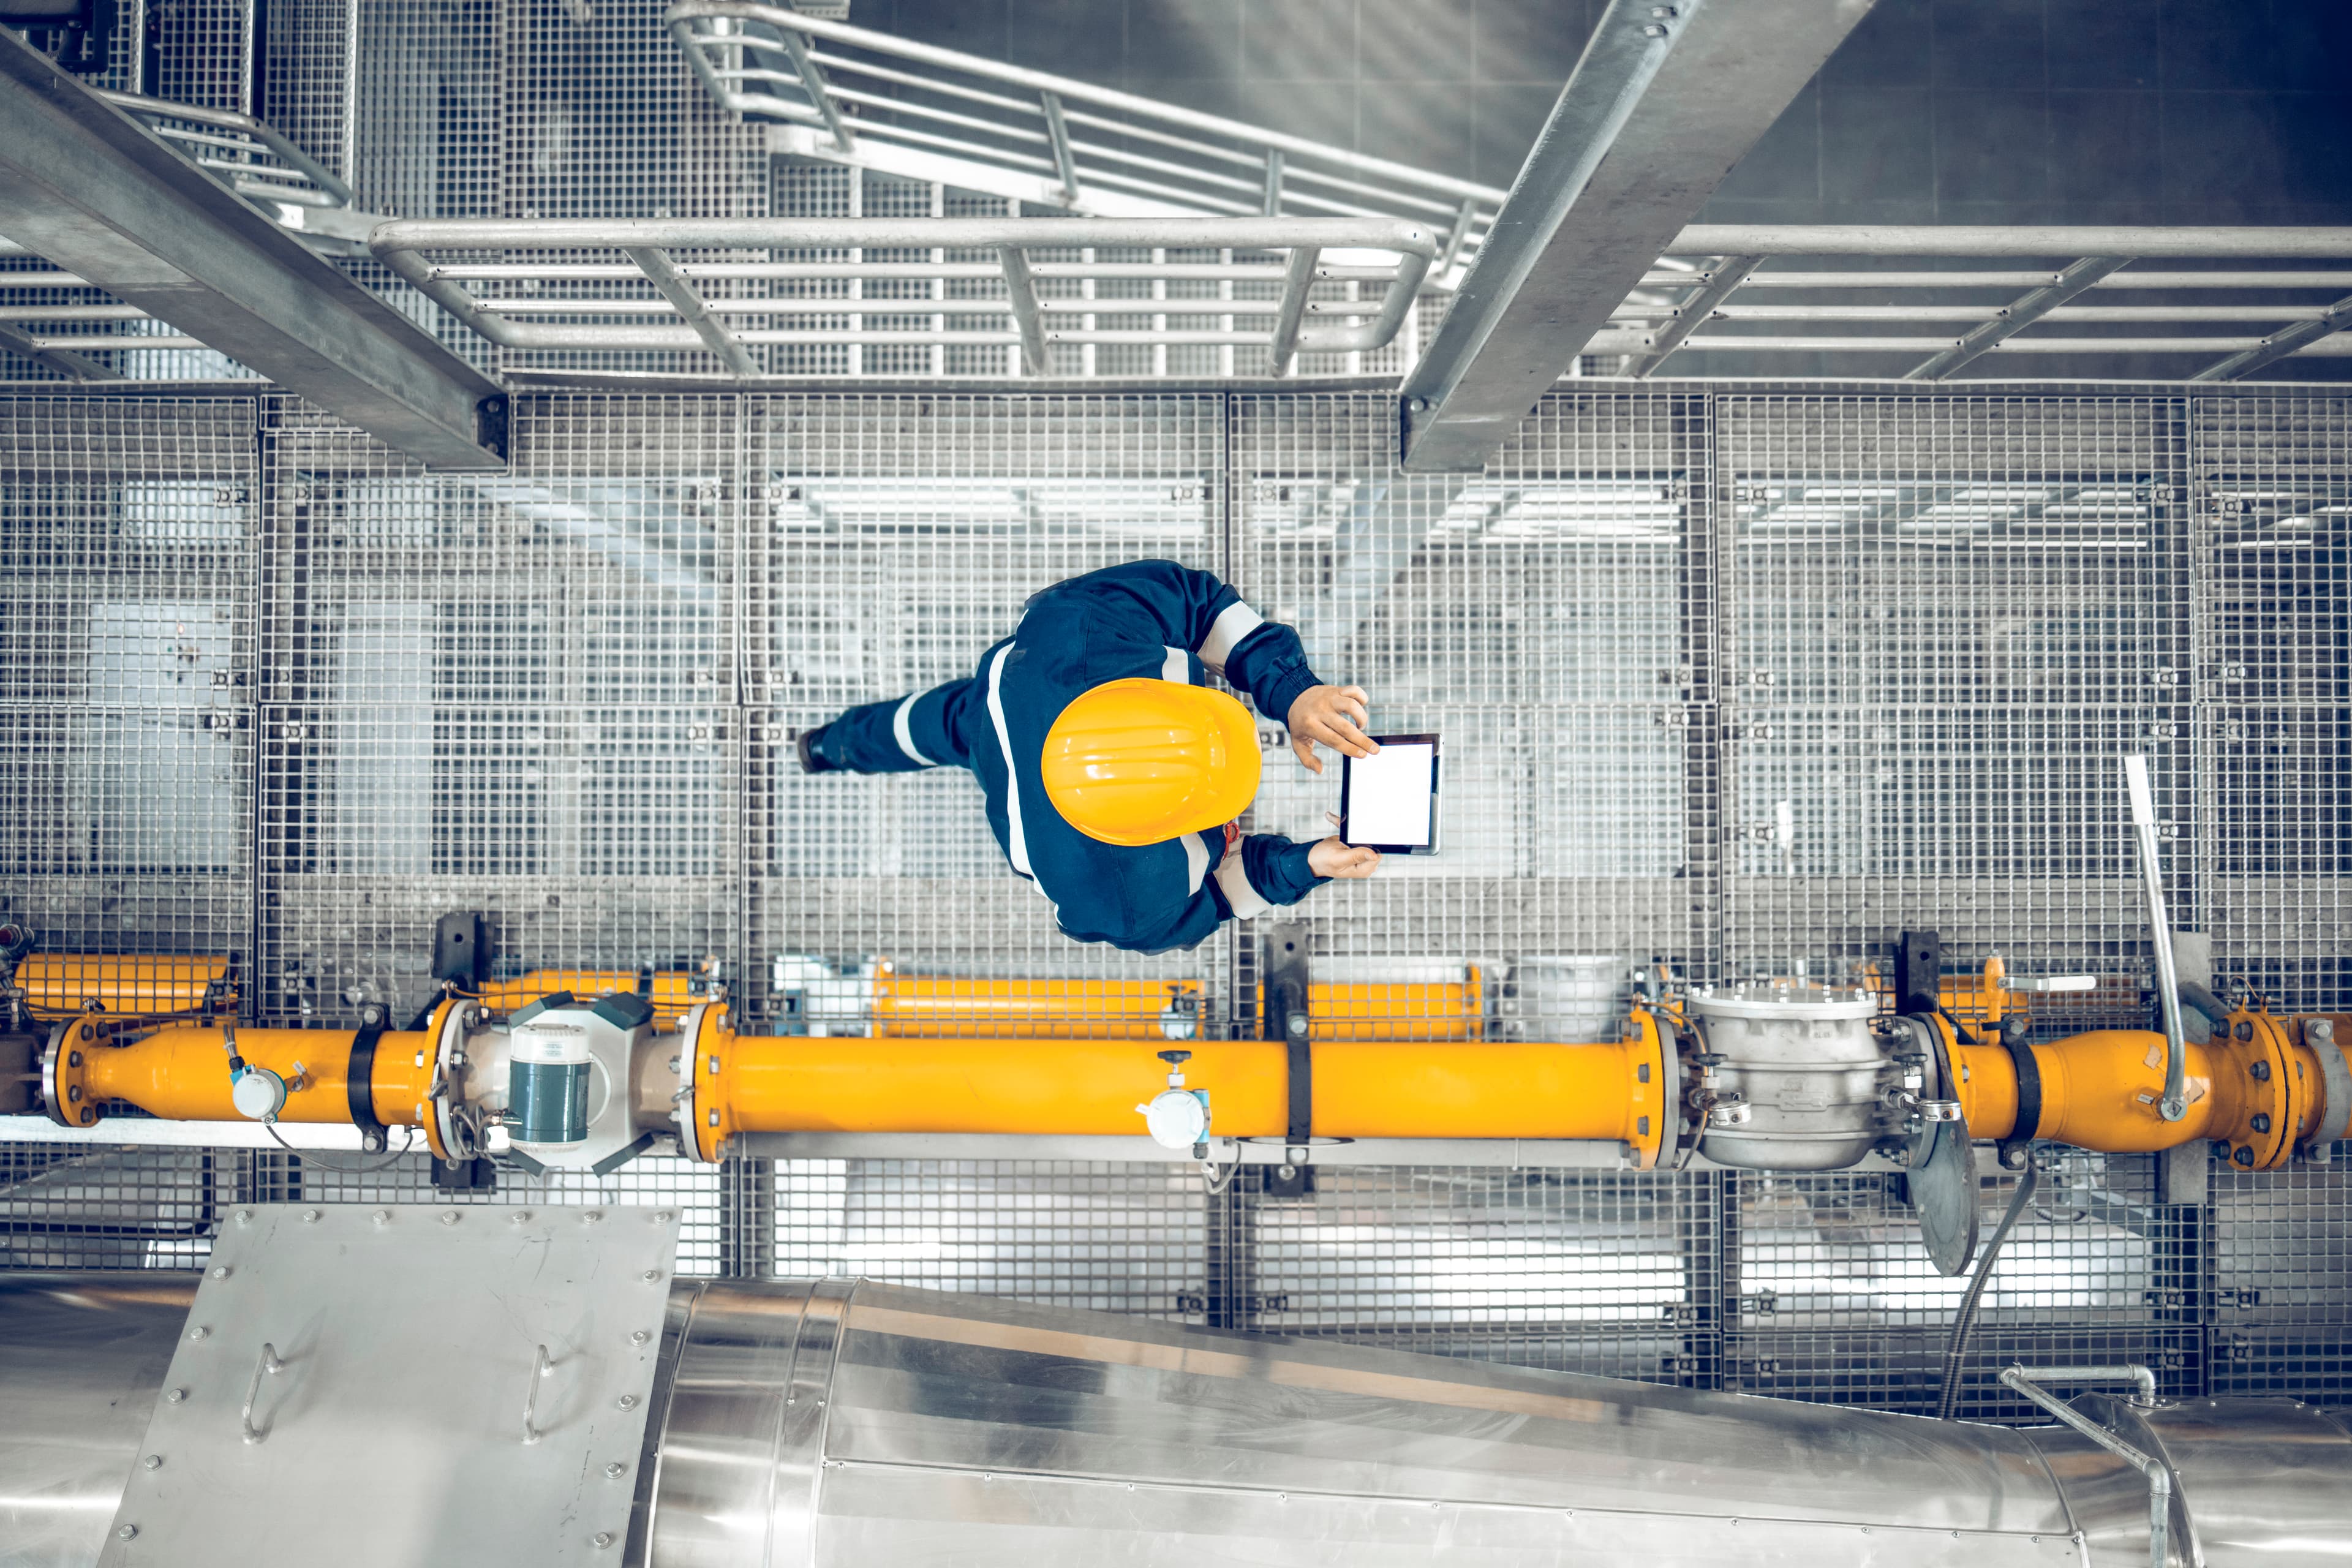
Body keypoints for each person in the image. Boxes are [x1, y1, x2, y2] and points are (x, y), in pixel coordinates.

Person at [797, 559, 1383, 953]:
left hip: (1009, 701)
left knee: (921, 727)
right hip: (1007, 735)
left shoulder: (1087, 628)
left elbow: (1197, 604)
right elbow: (1219, 900)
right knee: (932, 726)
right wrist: (1307, 865)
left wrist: (1294, 691)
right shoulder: (1120, 899)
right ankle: (826, 747)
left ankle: (829, 746)